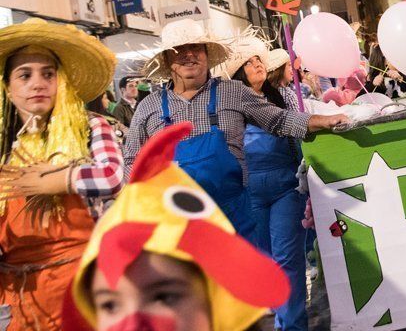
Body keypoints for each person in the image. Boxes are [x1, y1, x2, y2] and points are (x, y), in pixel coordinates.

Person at [124, 20, 347, 242]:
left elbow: (279, 120)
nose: (188, 54)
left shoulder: (233, 92)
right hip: (176, 224)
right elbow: (133, 160)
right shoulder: (148, 107)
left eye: (195, 48)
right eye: (179, 50)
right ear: (166, 59)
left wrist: (323, 121)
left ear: (207, 55)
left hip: (233, 217)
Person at [64, 123, 290, 331]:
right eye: (110, 305)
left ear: (219, 298)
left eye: (163, 297)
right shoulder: (147, 109)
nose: (132, 326)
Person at [0, 19, 125, 331]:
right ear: (8, 87)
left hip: (85, 285)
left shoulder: (91, 127)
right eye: (24, 75)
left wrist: (61, 179)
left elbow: (112, 176)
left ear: (62, 81)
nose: (38, 83)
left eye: (48, 74)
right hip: (24, 297)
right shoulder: (4, 148)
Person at [223, 38, 309, 331]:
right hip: (249, 196)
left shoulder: (281, 99)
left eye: (258, 59)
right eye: (249, 62)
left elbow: (298, 135)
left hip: (286, 189)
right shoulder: (228, 108)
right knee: (266, 263)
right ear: (237, 74)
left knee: (289, 261)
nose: (257, 64)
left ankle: (293, 326)